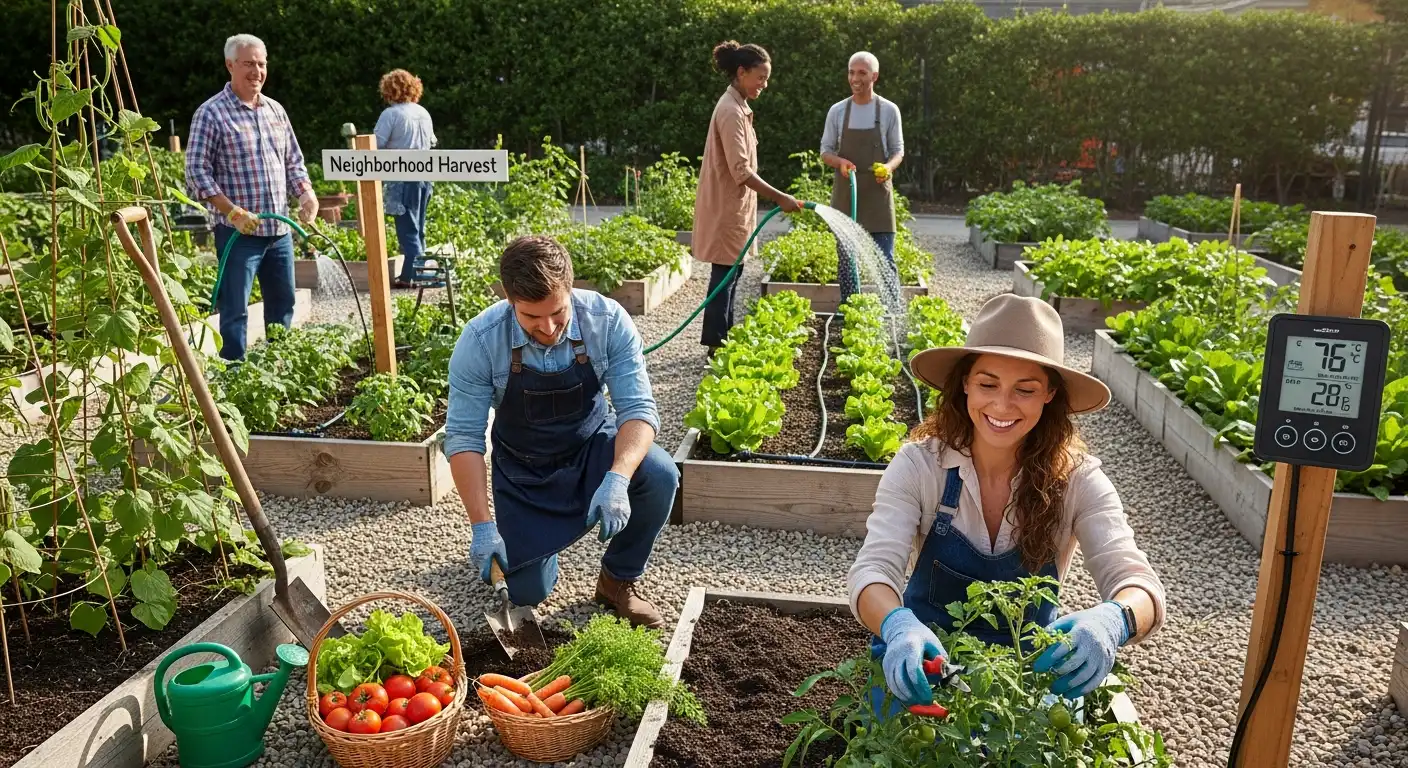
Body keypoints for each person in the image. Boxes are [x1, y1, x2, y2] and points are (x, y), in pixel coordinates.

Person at [847, 294, 1166, 716]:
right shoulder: (920, 466)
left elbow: (1137, 581)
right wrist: (898, 625)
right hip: (927, 667)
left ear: (1050, 393)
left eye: (1025, 390)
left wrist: (1113, 620)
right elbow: (873, 570)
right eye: (988, 384)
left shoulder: (1077, 480)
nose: (1001, 405)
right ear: (964, 383)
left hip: (1026, 680)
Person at [445, 235, 678, 629]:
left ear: (570, 289)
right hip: (524, 469)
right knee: (527, 591)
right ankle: (535, 553)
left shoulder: (607, 320)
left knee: (659, 474)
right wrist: (482, 527)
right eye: (531, 318)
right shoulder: (481, 340)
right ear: (510, 300)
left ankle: (617, 580)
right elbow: (464, 438)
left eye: (557, 312)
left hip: (591, 446)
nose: (549, 328)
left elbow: (637, 410)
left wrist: (618, 478)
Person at [185, 33, 318, 361]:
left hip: (279, 233)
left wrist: (306, 196)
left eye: (261, 64)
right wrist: (232, 213)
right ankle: (235, 378)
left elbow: (293, 163)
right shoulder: (211, 113)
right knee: (234, 311)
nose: (256, 71)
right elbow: (196, 173)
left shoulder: (275, 110)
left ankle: (278, 369)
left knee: (283, 306)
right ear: (230, 65)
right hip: (237, 235)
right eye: (248, 64)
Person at [693, 40, 802, 358]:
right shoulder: (730, 111)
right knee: (723, 278)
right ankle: (716, 345)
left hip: (734, 208)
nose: (764, 85)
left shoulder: (737, 106)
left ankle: (723, 339)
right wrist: (781, 197)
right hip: (726, 210)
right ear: (741, 73)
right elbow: (741, 171)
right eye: (760, 77)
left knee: (731, 274)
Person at [819, 51, 904, 304]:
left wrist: (888, 168)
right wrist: (840, 162)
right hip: (847, 192)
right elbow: (826, 151)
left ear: (874, 76)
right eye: (851, 72)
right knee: (847, 259)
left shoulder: (889, 110)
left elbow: (898, 150)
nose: (855, 78)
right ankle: (850, 311)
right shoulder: (837, 111)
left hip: (878, 194)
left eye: (862, 73)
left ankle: (893, 310)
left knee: (884, 257)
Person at [373, 68, 439, 289]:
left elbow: (375, 145)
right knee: (419, 227)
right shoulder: (423, 112)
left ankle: (413, 277)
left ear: (389, 90)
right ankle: (411, 273)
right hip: (425, 176)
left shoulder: (391, 114)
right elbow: (431, 142)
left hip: (402, 179)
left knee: (407, 229)